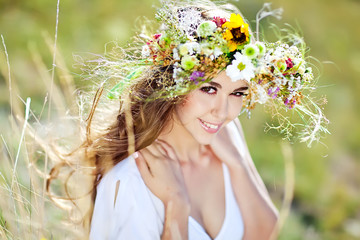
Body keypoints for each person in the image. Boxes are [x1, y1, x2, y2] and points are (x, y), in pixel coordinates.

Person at [59, 0, 327, 239]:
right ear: (172, 85)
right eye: (209, 89)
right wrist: (177, 206)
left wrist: (238, 165)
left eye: (237, 93)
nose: (222, 112)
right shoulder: (132, 180)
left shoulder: (227, 139)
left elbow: (265, 232)